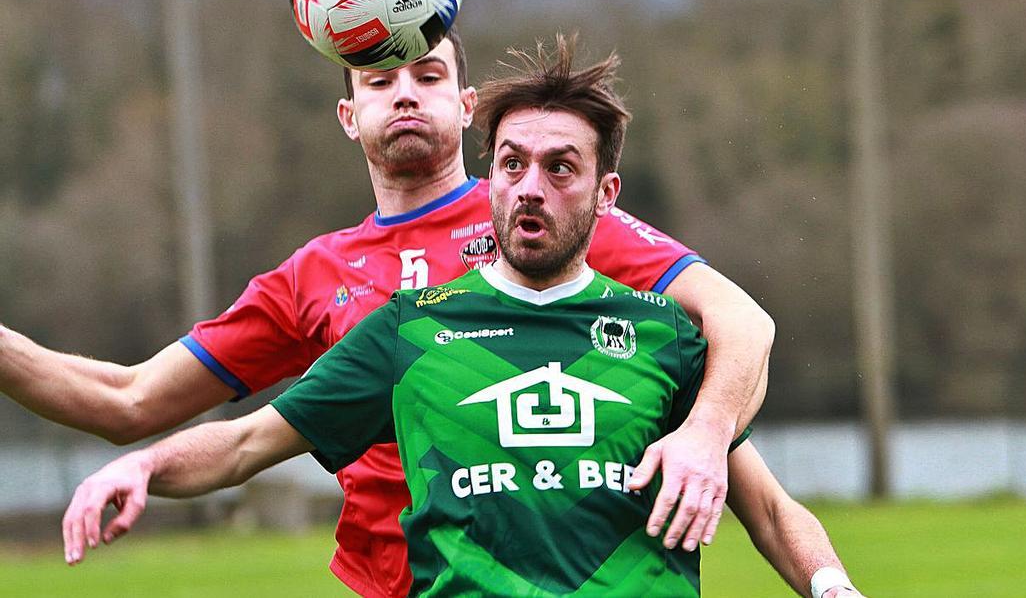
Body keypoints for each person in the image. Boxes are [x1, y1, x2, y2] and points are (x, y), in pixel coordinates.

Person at [62, 35, 863, 598]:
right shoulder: (408, 331)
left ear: (605, 196)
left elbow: (767, 507)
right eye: (511, 164)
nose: (530, 187)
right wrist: (142, 465)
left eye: (561, 168)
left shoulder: (663, 335)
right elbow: (243, 442)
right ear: (488, 182)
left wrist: (834, 586)